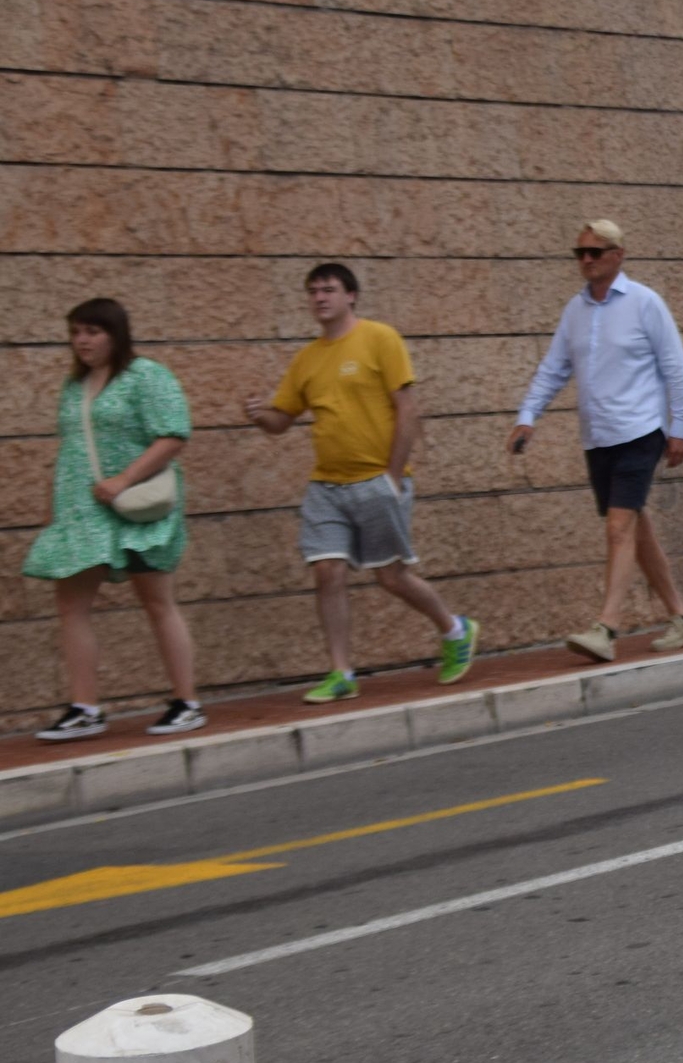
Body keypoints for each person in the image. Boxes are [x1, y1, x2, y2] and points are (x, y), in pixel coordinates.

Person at [248, 264, 478, 702]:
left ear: (350, 295)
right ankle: (342, 673)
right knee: (327, 571)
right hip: (327, 487)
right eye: (313, 291)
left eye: (329, 290)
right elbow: (282, 420)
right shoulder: (307, 359)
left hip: (377, 480)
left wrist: (393, 476)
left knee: (391, 577)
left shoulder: (379, 338)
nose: (320, 298)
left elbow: (407, 409)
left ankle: (455, 629)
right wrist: (261, 415)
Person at [511, 221, 683, 661]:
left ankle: (606, 628)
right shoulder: (573, 311)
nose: (586, 261)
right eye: (579, 253)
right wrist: (527, 417)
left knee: (618, 525)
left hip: (640, 431)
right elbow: (554, 368)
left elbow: (676, 366)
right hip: (598, 438)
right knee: (634, 525)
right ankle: (682, 617)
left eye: (594, 252)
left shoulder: (645, 303)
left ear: (618, 254)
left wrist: (681, 427)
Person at [24, 300, 204, 740]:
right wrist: (55, 510)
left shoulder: (147, 376)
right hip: (83, 511)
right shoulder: (75, 385)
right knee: (71, 605)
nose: (82, 341)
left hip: (137, 505)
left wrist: (124, 479)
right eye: (76, 333)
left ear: (115, 334)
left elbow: (173, 434)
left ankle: (186, 702)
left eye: (92, 332)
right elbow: (69, 450)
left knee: (157, 600)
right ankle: (85, 707)